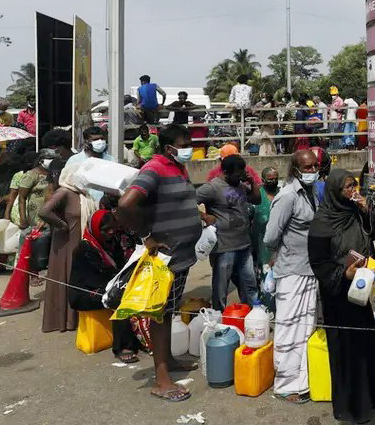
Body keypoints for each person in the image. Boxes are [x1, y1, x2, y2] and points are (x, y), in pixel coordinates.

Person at [308, 169, 375, 422]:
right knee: (351, 349)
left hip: (368, 288)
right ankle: (356, 406)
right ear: (335, 192)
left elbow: (374, 234)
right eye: (348, 187)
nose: (353, 191)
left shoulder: (355, 212)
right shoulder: (323, 221)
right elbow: (318, 263)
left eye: (355, 185)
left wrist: (365, 211)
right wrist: (344, 273)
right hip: (341, 295)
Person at [117, 124, 203, 402]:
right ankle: (162, 378)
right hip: (166, 257)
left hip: (181, 255)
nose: (190, 147)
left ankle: (168, 360)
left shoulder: (177, 167)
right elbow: (127, 204)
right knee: (161, 314)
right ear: (169, 148)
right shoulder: (155, 168)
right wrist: (146, 237)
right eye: (185, 142)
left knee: (170, 311)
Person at [263, 149, 321, 403]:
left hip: (309, 270)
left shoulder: (310, 193)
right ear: (295, 169)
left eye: (314, 166)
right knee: (289, 329)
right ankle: (285, 385)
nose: (311, 171)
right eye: (306, 168)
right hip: (292, 271)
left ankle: (303, 380)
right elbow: (270, 237)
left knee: (305, 328)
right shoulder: (287, 197)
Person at [68, 208, 143, 364]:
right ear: (96, 229)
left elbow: (119, 267)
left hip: (105, 283)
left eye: (112, 229)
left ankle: (139, 336)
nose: (110, 232)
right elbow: (94, 279)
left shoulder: (110, 242)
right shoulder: (84, 249)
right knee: (118, 298)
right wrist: (120, 283)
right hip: (85, 292)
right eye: (105, 230)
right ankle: (123, 347)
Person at [197, 155, 261, 310]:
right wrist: (204, 217)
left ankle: (252, 314)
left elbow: (256, 200)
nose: (240, 177)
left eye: (241, 174)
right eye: (237, 174)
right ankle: (218, 318)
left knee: (249, 284)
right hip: (223, 247)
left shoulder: (240, 185)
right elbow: (187, 201)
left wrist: (252, 182)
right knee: (221, 287)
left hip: (244, 244)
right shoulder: (212, 187)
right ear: (225, 172)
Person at [38, 162, 95, 333]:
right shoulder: (64, 192)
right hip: (66, 243)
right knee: (66, 276)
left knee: (76, 278)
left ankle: (75, 319)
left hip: (79, 242)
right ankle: (64, 320)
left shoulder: (83, 194)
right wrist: (62, 225)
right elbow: (44, 211)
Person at [251, 167, 280, 301]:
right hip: (260, 243)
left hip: (280, 244)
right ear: (263, 180)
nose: (273, 181)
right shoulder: (257, 196)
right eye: (270, 179)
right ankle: (265, 304)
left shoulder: (282, 194)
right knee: (264, 275)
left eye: (276, 179)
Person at [66, 126, 112, 202]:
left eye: (102, 139)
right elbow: (67, 183)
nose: (100, 142)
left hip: (105, 204)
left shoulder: (110, 160)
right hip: (82, 203)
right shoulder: (75, 160)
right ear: (87, 141)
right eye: (95, 139)